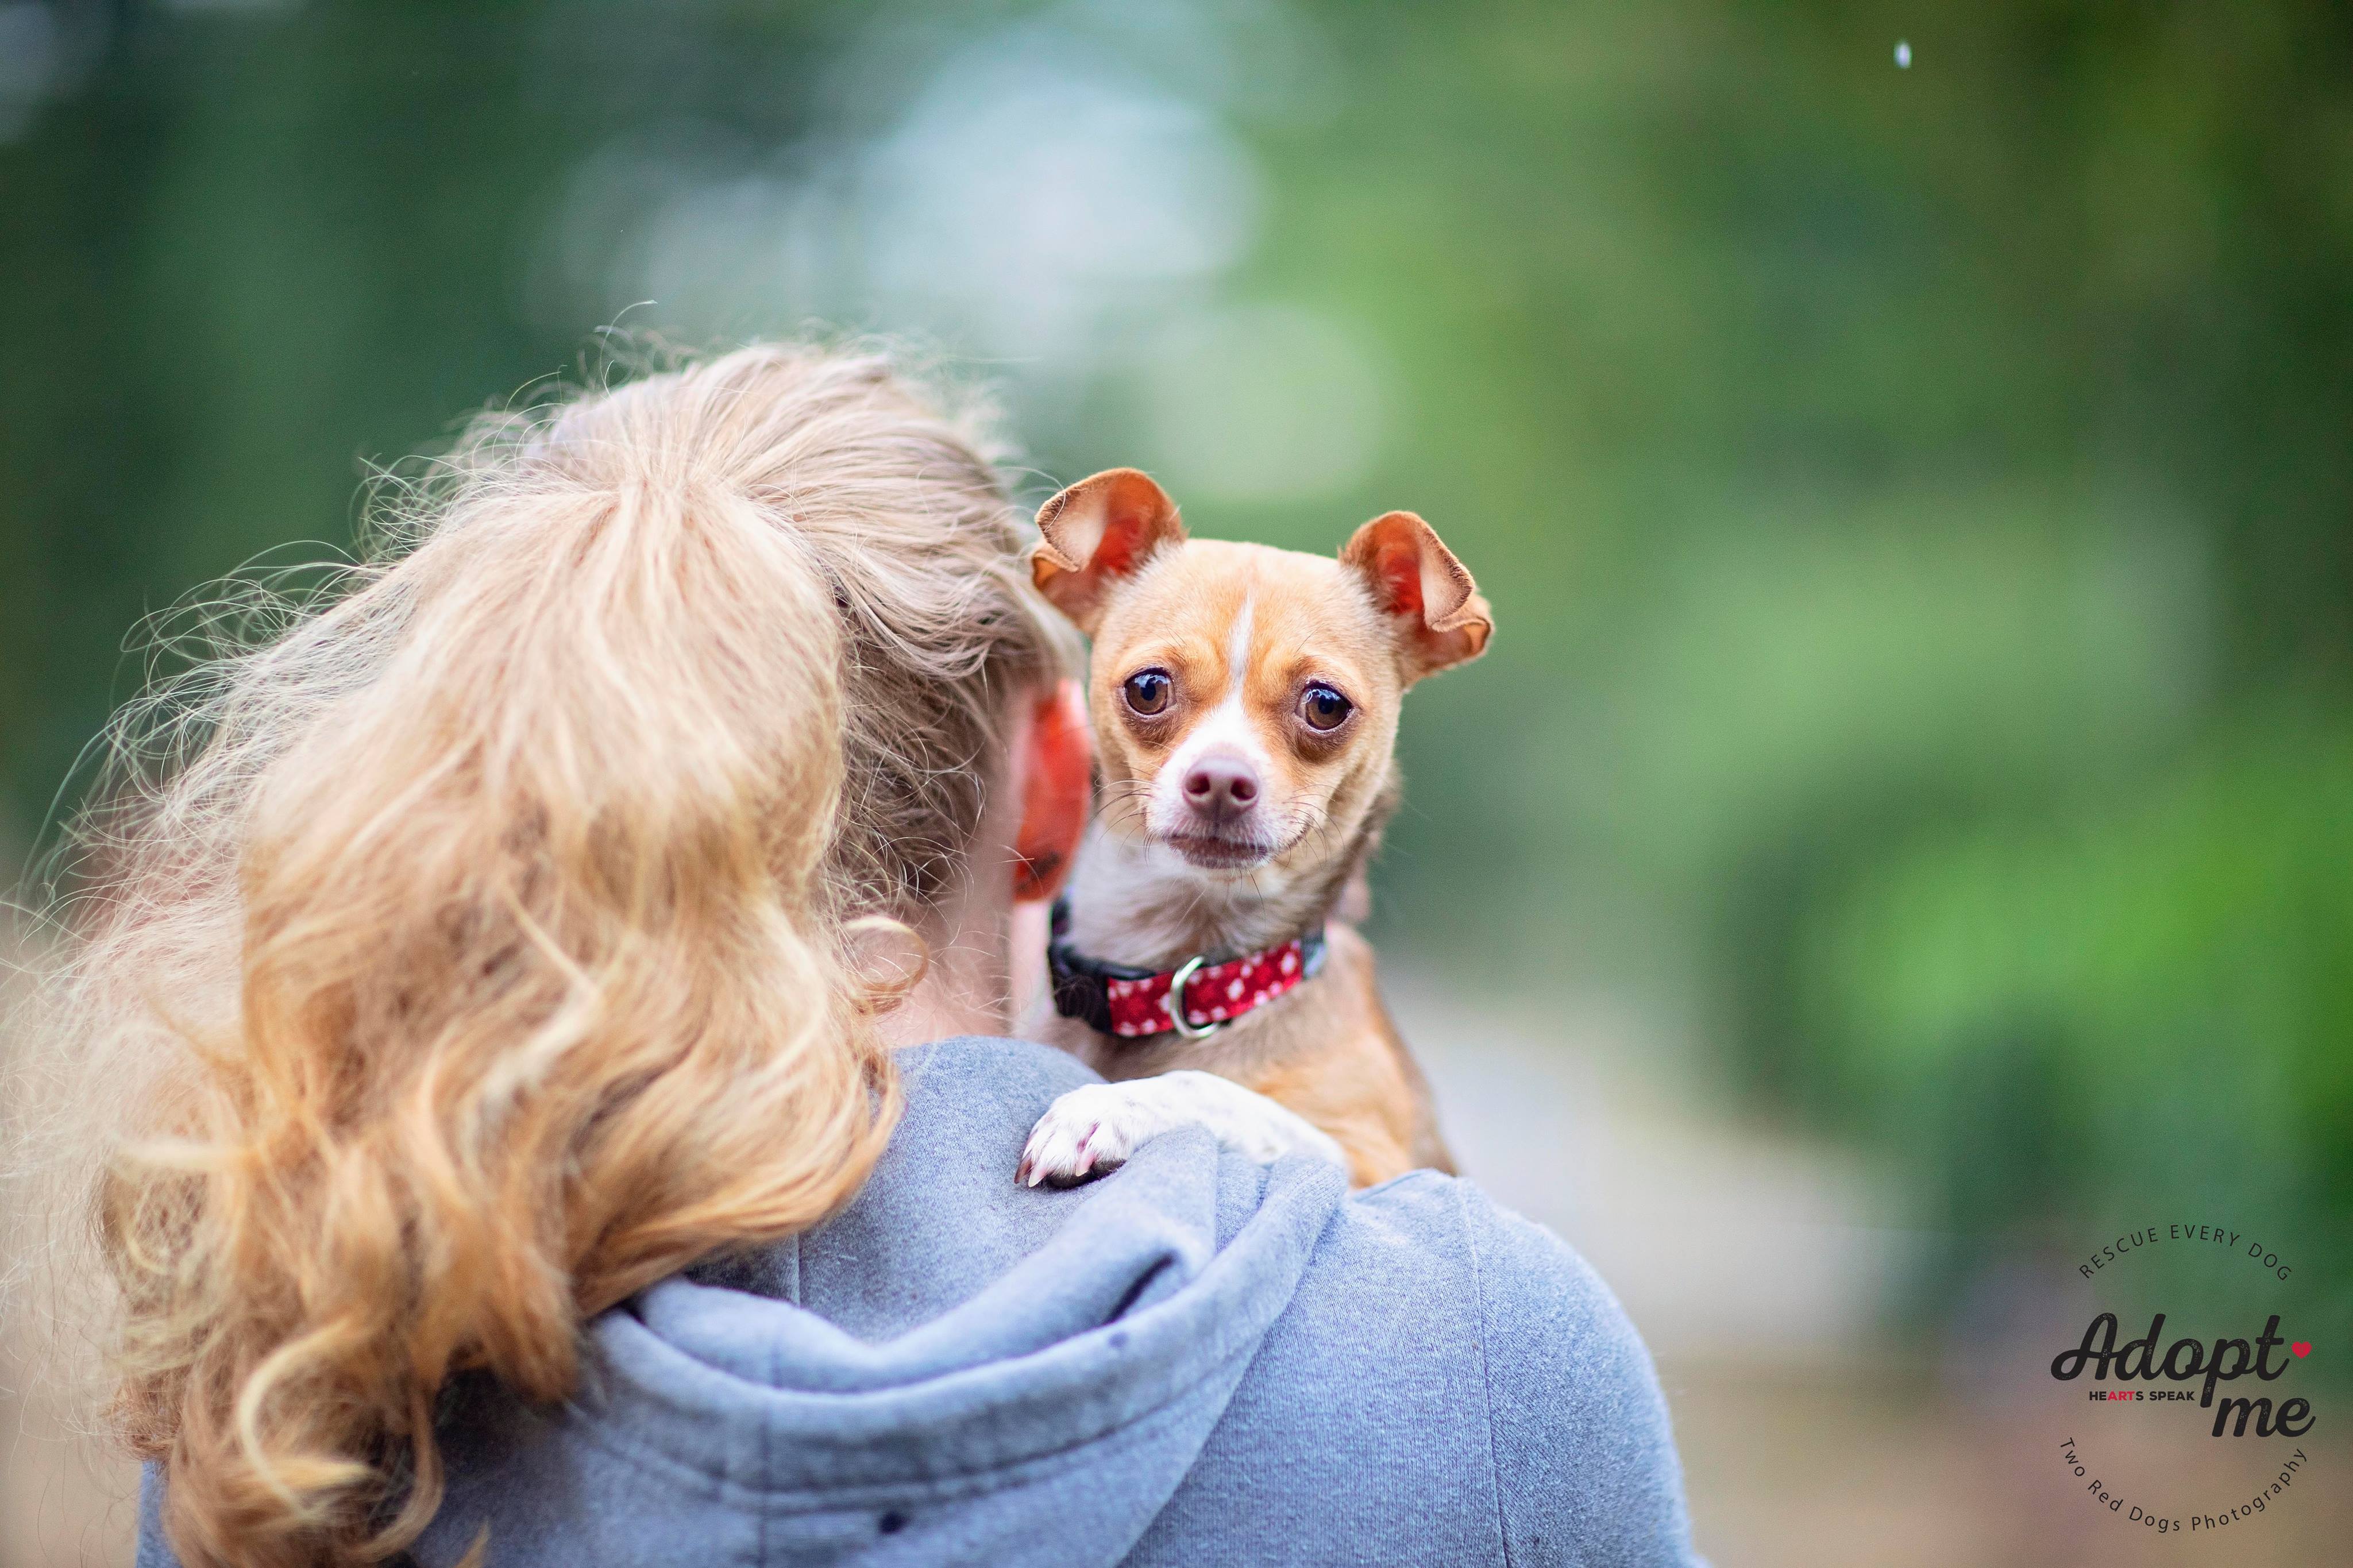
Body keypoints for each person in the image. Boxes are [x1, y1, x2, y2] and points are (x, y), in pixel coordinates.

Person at [50, 344, 1700, 1566]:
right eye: (1159, 698)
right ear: (1062, 779)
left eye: (1310, 714)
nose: (1223, 758)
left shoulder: (290, 1382)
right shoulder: (1495, 1358)